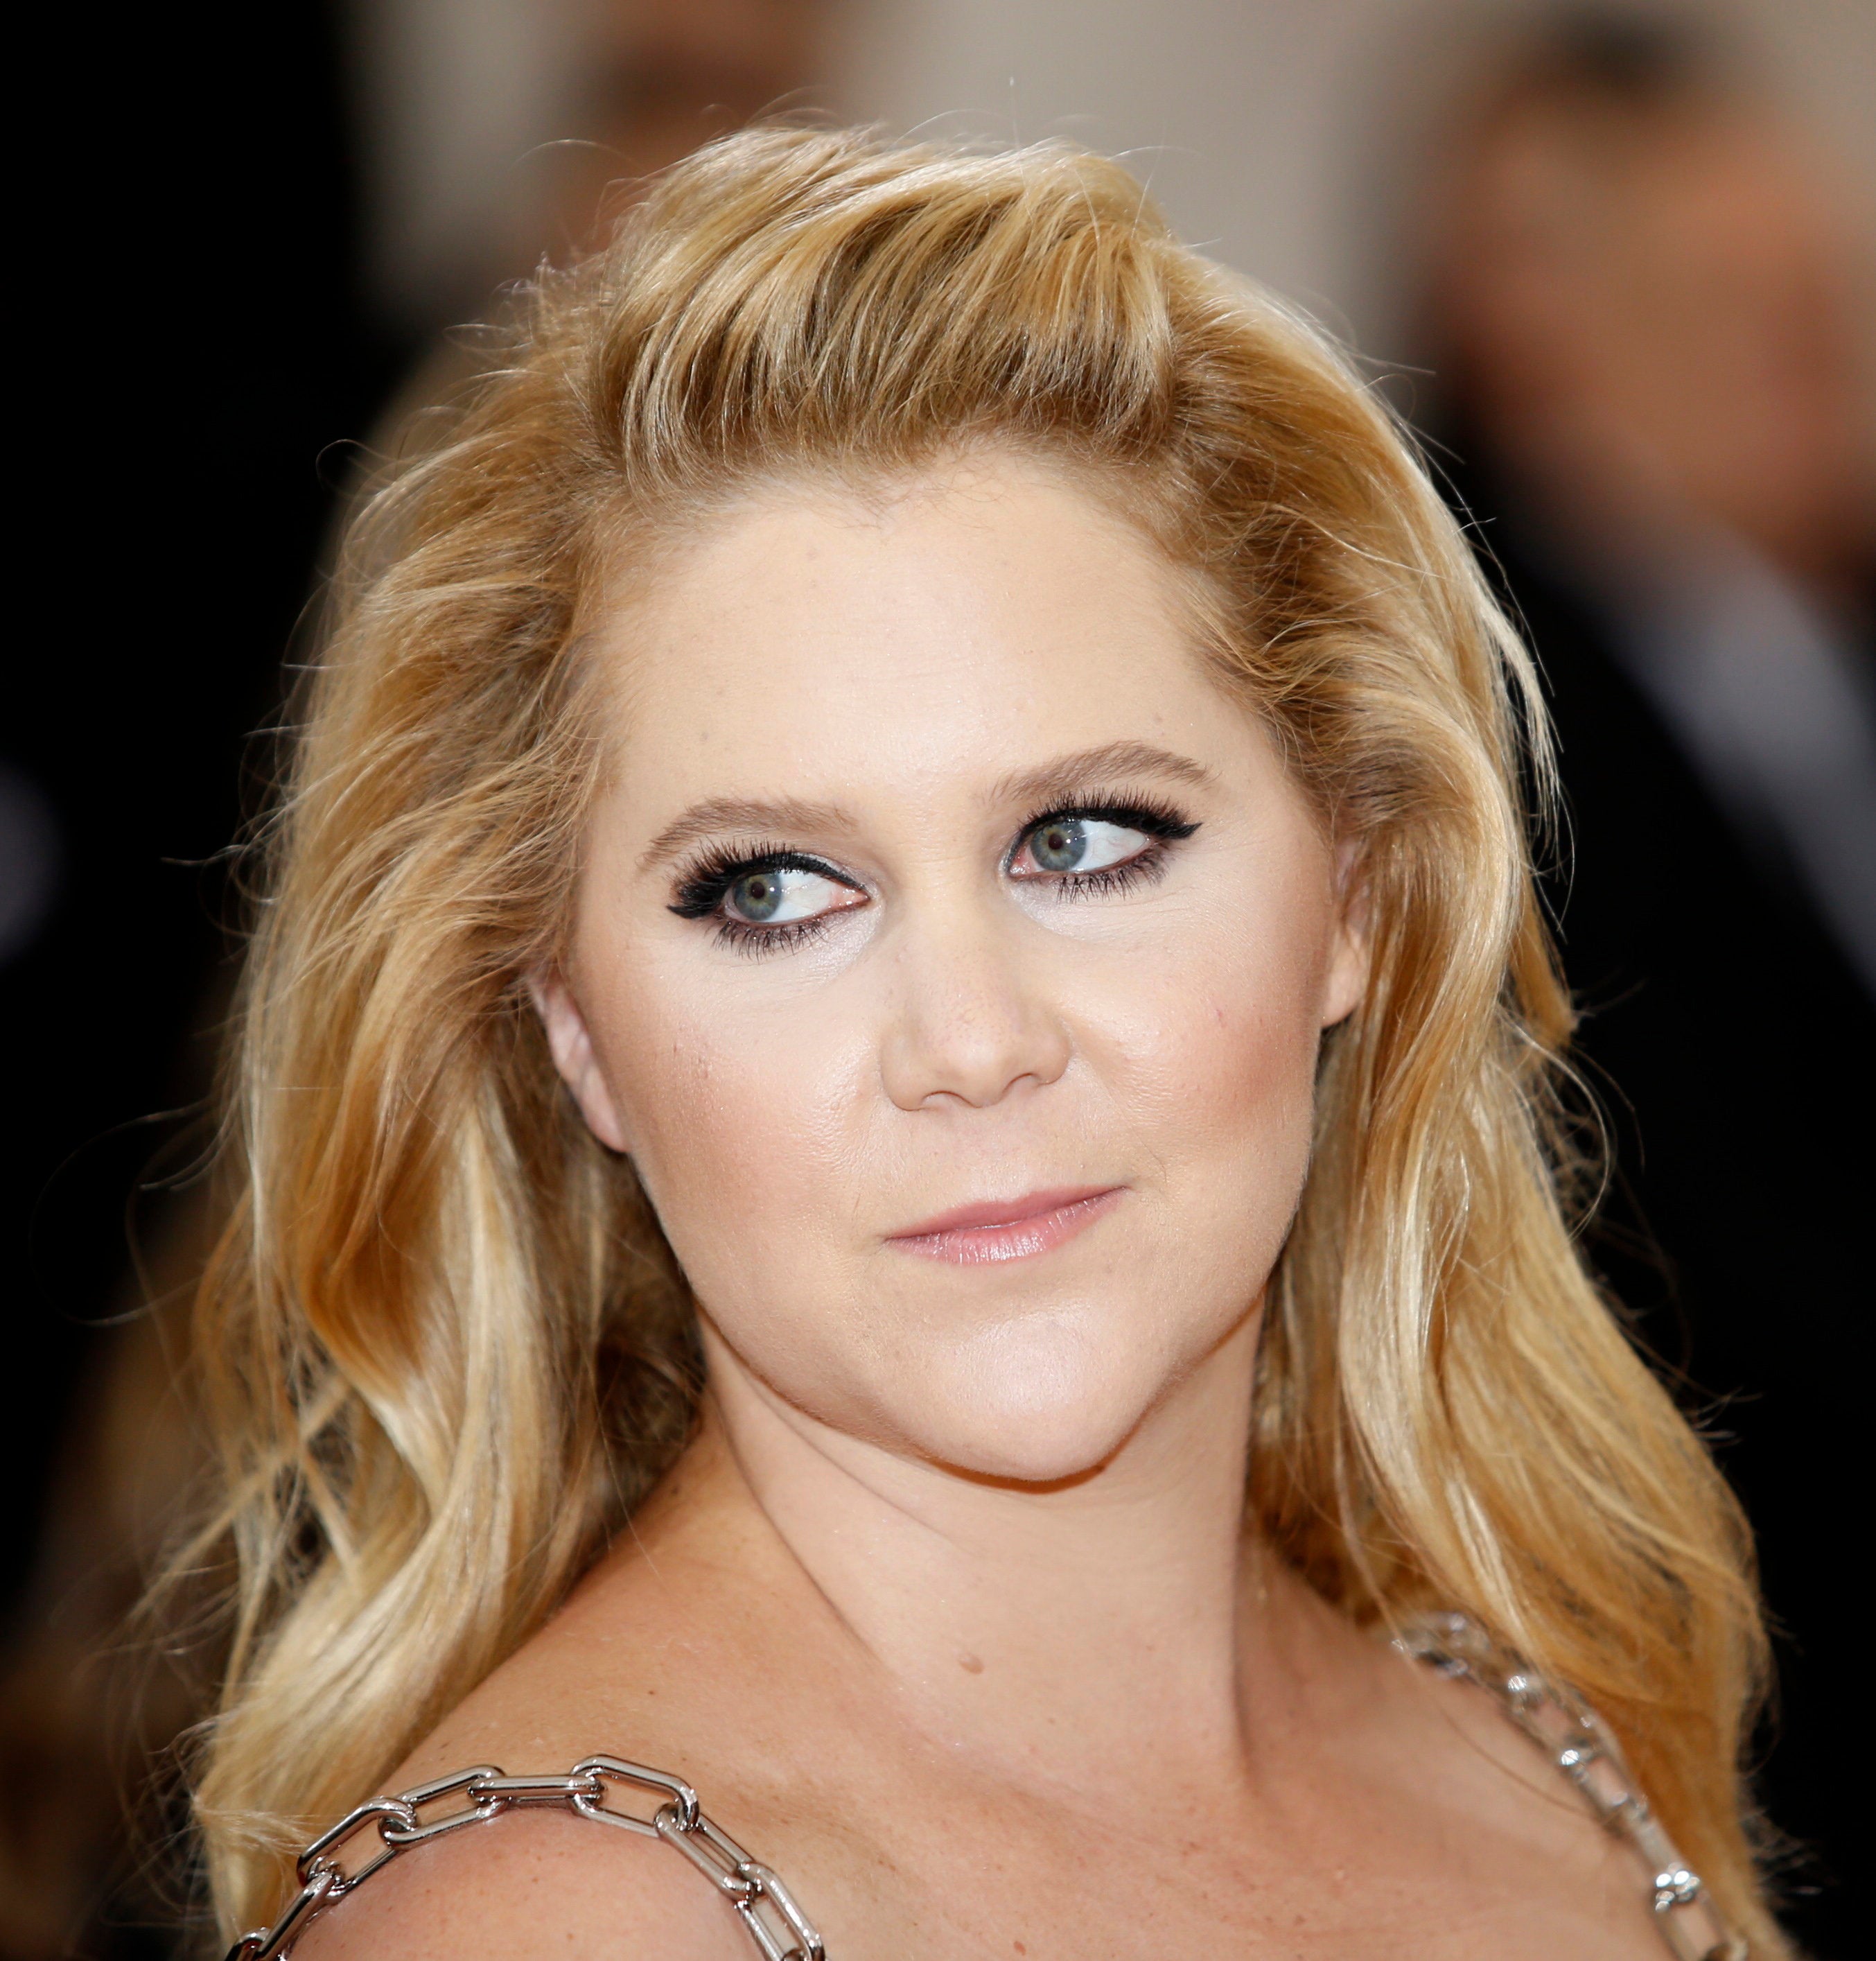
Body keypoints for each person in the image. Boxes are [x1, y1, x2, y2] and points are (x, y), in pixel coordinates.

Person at [175, 128, 1785, 1959]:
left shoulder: (1542, 1765)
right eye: (772, 892)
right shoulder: (550, 1926)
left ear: (1353, 893)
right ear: (577, 1031)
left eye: (1083, 841)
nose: (969, 1041)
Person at [1413, 17, 1876, 1921]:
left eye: (1817, 308)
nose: (1813, 367)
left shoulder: (1819, 629)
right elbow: (1688, 1238)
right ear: (1537, 330)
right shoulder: (1497, 735)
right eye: (1731, 314)